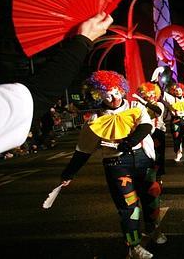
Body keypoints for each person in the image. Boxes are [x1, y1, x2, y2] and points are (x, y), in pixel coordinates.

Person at [60, 70, 166, 259]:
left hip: (143, 159)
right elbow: (83, 151)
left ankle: (153, 229)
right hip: (117, 165)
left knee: (152, 198)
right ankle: (133, 246)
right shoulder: (95, 120)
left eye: (115, 90)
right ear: (97, 95)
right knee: (129, 208)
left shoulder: (135, 106)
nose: (112, 96)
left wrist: (130, 141)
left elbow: (146, 126)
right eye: (105, 93)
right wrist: (69, 173)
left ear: (121, 88)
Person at [0, 12, 113, 154]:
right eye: (107, 94)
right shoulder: (97, 116)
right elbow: (39, 93)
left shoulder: (134, 109)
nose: (112, 98)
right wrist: (83, 40)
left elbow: (38, 94)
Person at [133, 82, 168, 182]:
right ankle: (147, 176)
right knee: (146, 155)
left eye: (153, 93)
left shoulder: (159, 104)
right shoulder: (138, 105)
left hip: (157, 132)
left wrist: (143, 102)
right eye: (149, 93)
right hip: (144, 133)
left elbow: (158, 112)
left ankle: (158, 177)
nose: (152, 95)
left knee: (158, 155)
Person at [164, 83, 184, 164]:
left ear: (182, 91)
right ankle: (178, 154)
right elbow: (162, 93)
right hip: (175, 121)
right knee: (176, 138)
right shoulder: (171, 99)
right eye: (176, 90)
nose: (178, 91)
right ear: (173, 92)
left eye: (179, 90)